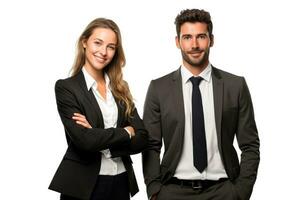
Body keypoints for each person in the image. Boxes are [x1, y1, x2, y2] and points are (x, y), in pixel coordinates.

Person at [142, 9, 260, 200]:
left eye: (201, 37)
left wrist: (241, 192)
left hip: (224, 191)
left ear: (211, 40)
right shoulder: (159, 88)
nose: (194, 45)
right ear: (177, 41)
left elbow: (250, 145)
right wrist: (155, 191)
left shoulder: (235, 86)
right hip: (173, 192)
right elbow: (151, 146)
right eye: (187, 37)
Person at [49, 18, 148, 200]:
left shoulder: (120, 88)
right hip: (82, 185)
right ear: (84, 42)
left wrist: (97, 135)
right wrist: (126, 132)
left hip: (121, 181)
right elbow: (84, 141)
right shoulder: (67, 88)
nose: (103, 52)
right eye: (98, 43)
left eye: (111, 47)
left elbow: (142, 138)